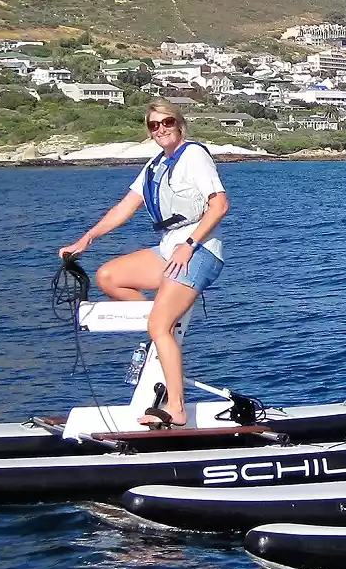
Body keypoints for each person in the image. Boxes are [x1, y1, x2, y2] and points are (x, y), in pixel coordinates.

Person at [59, 99, 230, 428]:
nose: (161, 129)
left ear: (179, 124)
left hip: (199, 251)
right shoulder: (155, 165)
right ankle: (161, 331)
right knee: (109, 276)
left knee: (158, 326)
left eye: (167, 122)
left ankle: (176, 407)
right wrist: (85, 240)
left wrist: (189, 246)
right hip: (169, 248)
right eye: (154, 125)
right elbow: (125, 207)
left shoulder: (194, 155)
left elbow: (220, 205)